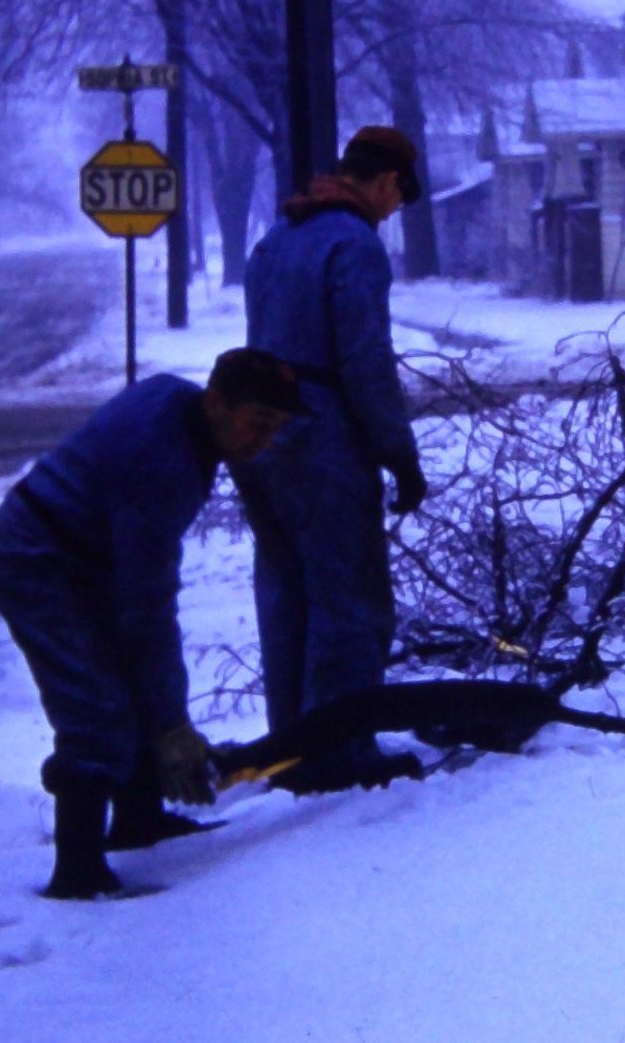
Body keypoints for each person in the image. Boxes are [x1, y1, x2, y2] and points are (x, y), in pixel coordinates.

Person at [0, 347, 307, 900]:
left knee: (129, 685)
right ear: (217, 404)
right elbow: (146, 608)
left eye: (276, 427)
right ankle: (78, 874)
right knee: (94, 705)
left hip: (87, 551)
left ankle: (138, 820)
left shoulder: (180, 405)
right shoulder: (161, 466)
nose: (265, 441)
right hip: (37, 557)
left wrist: (163, 714)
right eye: (259, 422)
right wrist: (172, 727)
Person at [234, 125, 430, 793]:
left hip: (261, 441)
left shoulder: (276, 239)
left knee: (286, 594)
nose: (395, 210)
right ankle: (339, 753)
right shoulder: (355, 245)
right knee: (349, 600)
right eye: (399, 196)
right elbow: (365, 361)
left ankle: (289, 751)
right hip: (322, 441)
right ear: (386, 181)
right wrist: (400, 456)